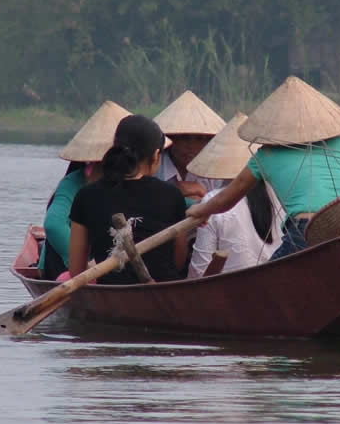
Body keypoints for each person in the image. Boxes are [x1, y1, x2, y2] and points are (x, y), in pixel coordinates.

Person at [186, 76, 340, 260]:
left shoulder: (267, 154)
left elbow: (227, 199)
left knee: (265, 284)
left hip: (307, 230)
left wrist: (201, 210)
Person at [68, 115, 188, 283]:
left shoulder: (85, 195)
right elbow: (179, 261)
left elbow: (76, 271)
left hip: (111, 295)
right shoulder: (173, 195)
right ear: (156, 155)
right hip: (163, 293)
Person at [38, 101, 131, 281]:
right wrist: (83, 267)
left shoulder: (130, 181)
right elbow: (53, 225)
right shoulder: (73, 183)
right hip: (66, 267)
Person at [186, 113, 283, 277]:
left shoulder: (211, 202)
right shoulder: (281, 193)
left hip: (231, 294)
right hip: (276, 283)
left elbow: (198, 272)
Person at [152, 90, 225, 201]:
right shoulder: (154, 166)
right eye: (185, 138)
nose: (191, 146)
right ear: (171, 138)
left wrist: (203, 195)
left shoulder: (216, 171)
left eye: (199, 139)